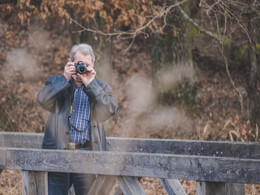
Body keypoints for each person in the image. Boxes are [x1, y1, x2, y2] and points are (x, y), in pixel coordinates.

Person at [37, 43, 119, 195]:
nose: (82, 67)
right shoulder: (57, 83)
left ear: (93, 64)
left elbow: (110, 110)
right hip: (59, 154)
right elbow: (42, 100)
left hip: (87, 155)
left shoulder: (101, 88)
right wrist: (65, 78)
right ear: (70, 62)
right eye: (78, 64)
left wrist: (91, 84)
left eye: (86, 64)